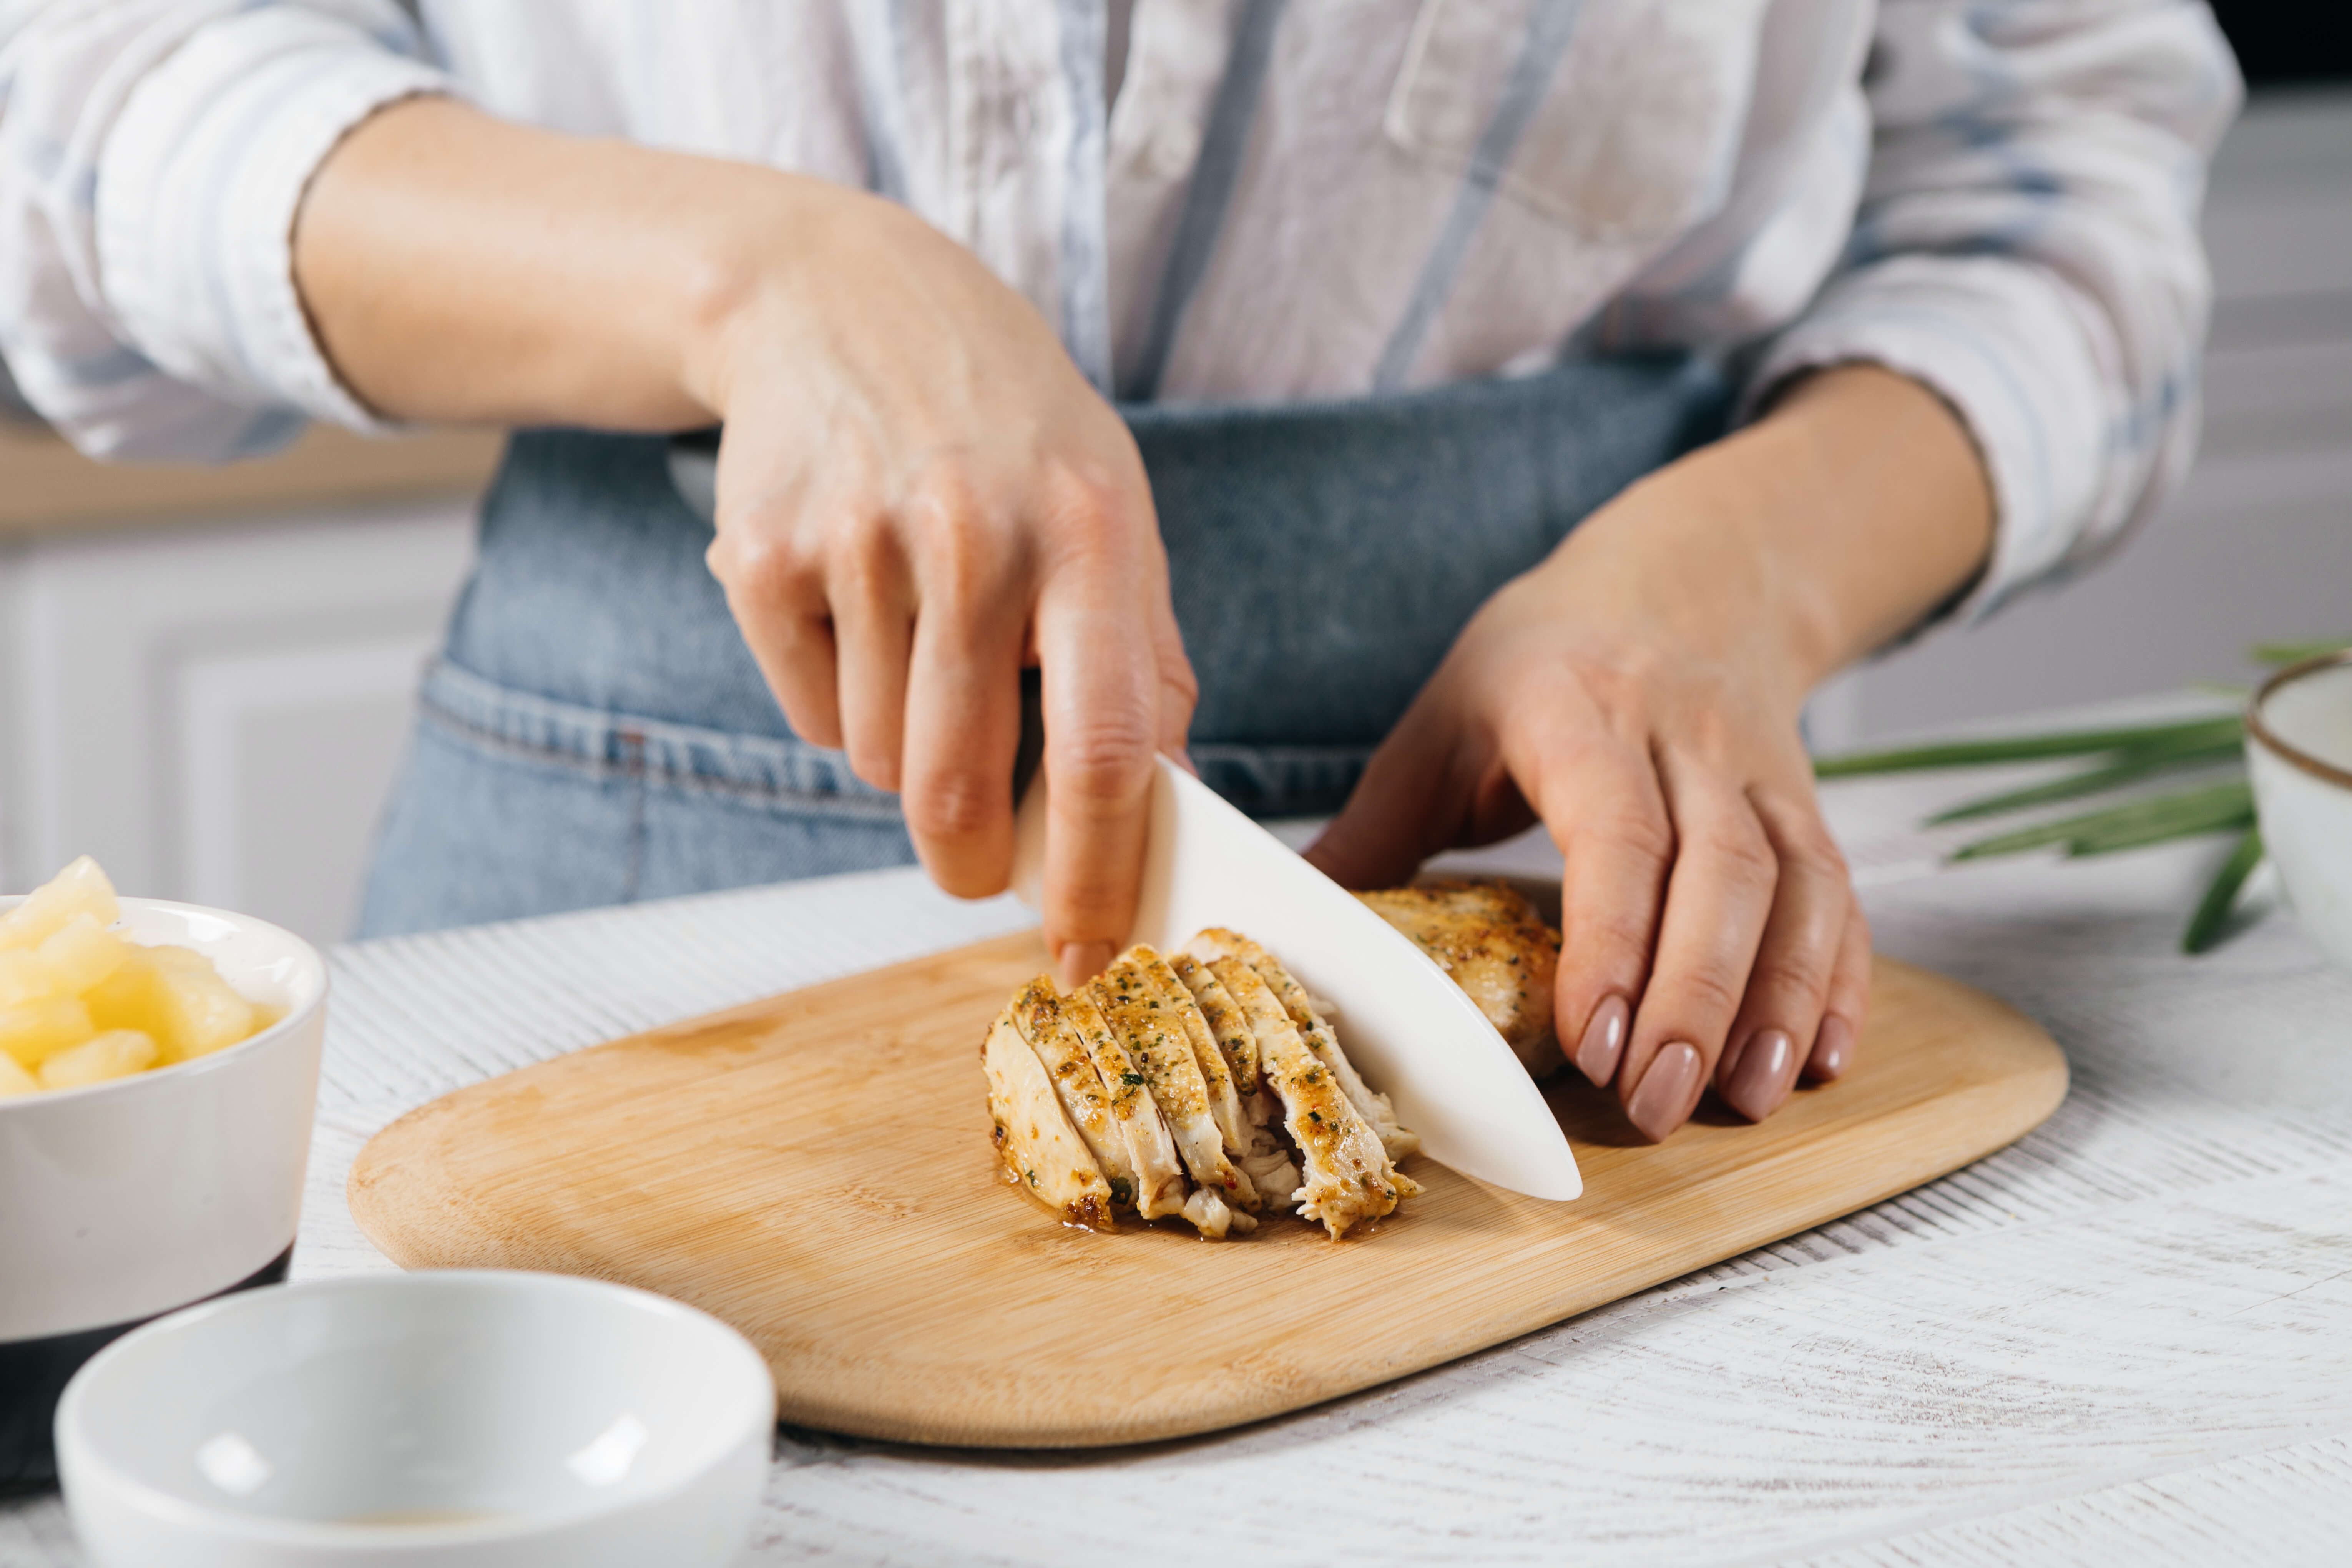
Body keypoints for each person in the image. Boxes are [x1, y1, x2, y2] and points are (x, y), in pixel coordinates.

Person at [0, 2, 2238, 1142]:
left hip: (1588, 899)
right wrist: (751, 279)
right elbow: (71, 87)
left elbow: (2056, 180)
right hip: (582, 892)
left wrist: (1728, 575)